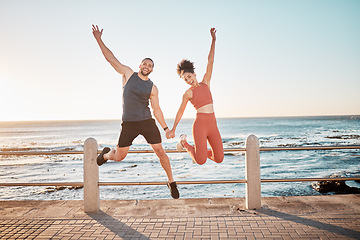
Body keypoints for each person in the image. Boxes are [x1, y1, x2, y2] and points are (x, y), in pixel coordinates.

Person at [92, 24, 179, 199]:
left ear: (152, 69)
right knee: (120, 156)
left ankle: (171, 182)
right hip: (129, 123)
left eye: (150, 65)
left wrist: (166, 128)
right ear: (140, 65)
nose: (147, 66)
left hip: (147, 122)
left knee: (161, 151)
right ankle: (106, 155)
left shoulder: (153, 87)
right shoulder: (128, 74)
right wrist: (99, 39)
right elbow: (111, 59)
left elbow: (157, 110)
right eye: (145, 63)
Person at [166, 28, 224, 165]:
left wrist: (213, 41)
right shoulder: (188, 93)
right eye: (185, 79)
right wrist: (173, 128)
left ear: (194, 74)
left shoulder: (206, 83)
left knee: (219, 158)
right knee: (200, 160)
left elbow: (210, 61)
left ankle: (199, 150)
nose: (188, 80)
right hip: (200, 125)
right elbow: (180, 111)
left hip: (212, 124)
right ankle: (184, 142)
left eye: (189, 76)